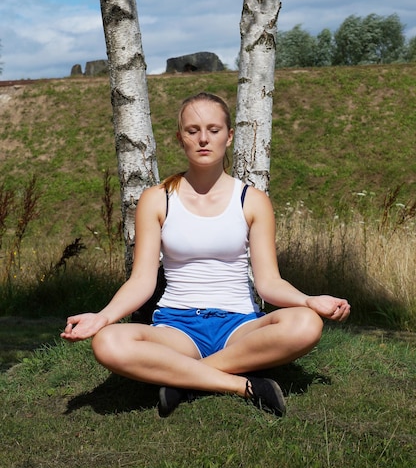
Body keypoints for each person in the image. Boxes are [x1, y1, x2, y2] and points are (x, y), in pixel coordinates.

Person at [61, 91, 350, 417]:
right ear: (180, 137)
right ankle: (242, 385)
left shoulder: (252, 201)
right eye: (192, 130)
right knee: (107, 342)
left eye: (213, 130)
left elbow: (269, 282)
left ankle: (182, 380)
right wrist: (103, 317)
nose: (203, 139)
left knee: (306, 324)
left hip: (240, 327)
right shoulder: (157, 199)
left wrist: (309, 300)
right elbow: (142, 280)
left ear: (228, 136)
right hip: (176, 328)